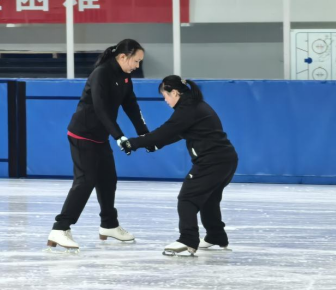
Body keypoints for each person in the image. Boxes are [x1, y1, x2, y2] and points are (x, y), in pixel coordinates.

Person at [47, 39, 153, 251]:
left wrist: (145, 135)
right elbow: (101, 109)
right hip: (82, 134)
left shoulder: (124, 77)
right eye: (136, 61)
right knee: (85, 181)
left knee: (107, 179)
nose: (137, 66)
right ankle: (60, 229)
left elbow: (131, 106)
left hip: (99, 136)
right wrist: (119, 137)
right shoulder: (101, 74)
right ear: (123, 56)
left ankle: (109, 225)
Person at [120, 75, 238, 256]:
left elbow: (166, 131)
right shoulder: (194, 106)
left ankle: (188, 239)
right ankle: (216, 236)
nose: (165, 100)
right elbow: (178, 133)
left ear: (174, 92)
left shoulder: (188, 109)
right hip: (225, 160)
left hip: (211, 162)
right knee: (208, 199)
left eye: (165, 96)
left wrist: (133, 143)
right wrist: (156, 144)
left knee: (187, 198)